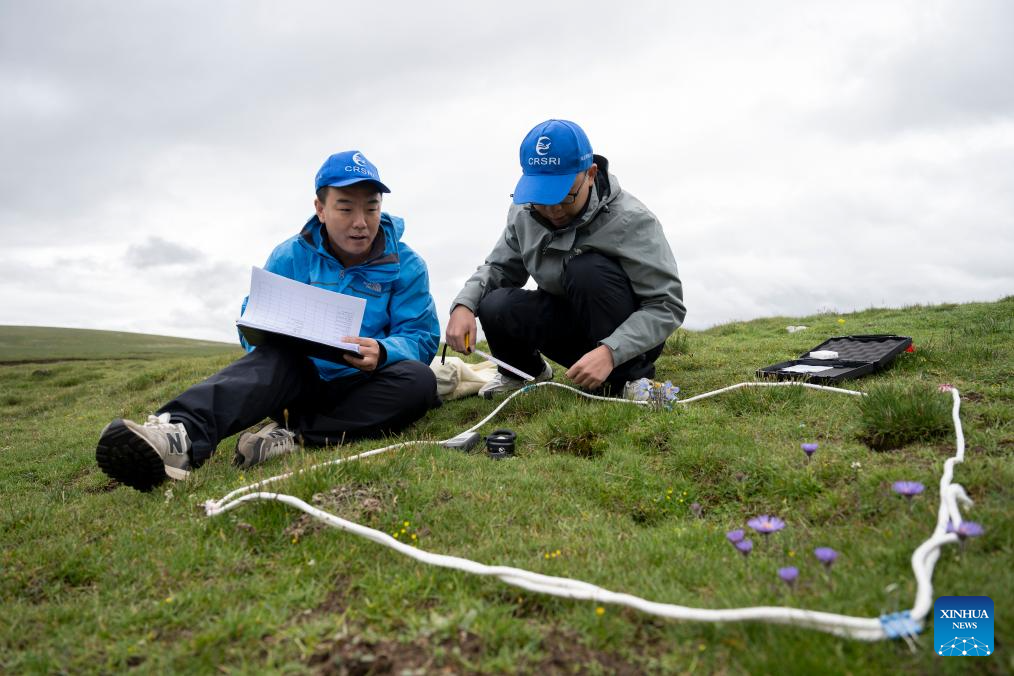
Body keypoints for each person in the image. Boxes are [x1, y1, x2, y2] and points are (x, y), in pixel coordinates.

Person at [96, 151, 441, 491]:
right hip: (296, 382)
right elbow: (255, 317)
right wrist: (262, 334)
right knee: (277, 358)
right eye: (346, 207)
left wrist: (383, 351)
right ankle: (179, 437)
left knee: (419, 381)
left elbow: (421, 337)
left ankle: (290, 436)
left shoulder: (408, 264)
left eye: (371, 207)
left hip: (366, 387)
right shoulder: (290, 255)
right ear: (320, 209)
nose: (361, 221)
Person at [445, 119, 685, 398]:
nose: (554, 209)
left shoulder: (632, 220)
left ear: (591, 174)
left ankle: (628, 381)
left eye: (565, 197)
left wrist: (611, 351)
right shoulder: (524, 212)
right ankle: (523, 373)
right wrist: (464, 305)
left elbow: (666, 305)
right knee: (493, 303)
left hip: (627, 338)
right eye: (542, 199)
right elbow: (499, 268)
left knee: (586, 270)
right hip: (570, 325)